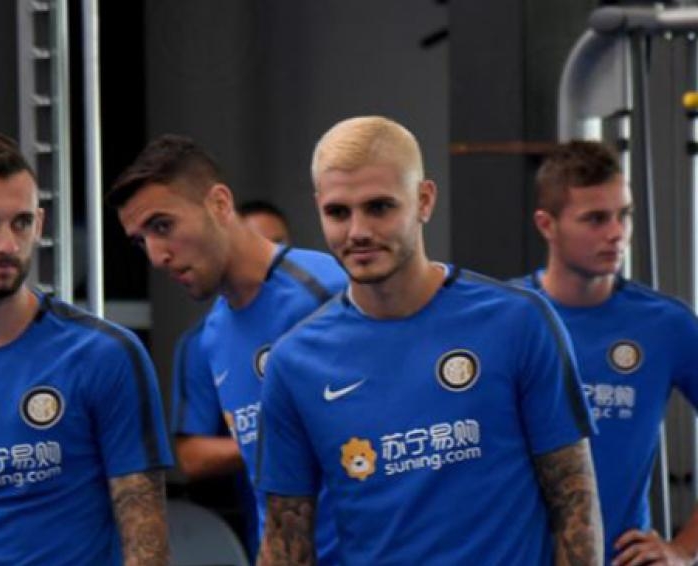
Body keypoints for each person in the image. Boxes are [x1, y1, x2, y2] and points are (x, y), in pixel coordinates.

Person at [256, 116, 603, 564]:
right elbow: (285, 540)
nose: (358, 231)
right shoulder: (294, 362)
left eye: (379, 207)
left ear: (424, 200)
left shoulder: (519, 323)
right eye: (338, 212)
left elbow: (575, 504)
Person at [0, 130, 172, 565]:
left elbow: (147, 546)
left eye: (21, 222)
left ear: (40, 224)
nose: (7, 244)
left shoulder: (103, 356)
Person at [109, 135, 345, 564]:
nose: (157, 256)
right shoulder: (213, 336)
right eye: (141, 241)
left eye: (162, 226)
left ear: (219, 203)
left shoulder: (328, 292)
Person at [515, 140, 698, 565]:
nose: (616, 233)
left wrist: (683, 549)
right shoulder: (506, 318)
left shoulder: (666, 324)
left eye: (624, 215)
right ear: (547, 225)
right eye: (596, 219)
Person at [170, 198, 291, 556]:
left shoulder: (323, 310)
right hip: (268, 533)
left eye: (278, 244)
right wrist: (277, 436)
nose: (267, 255)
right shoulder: (204, 341)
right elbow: (192, 457)